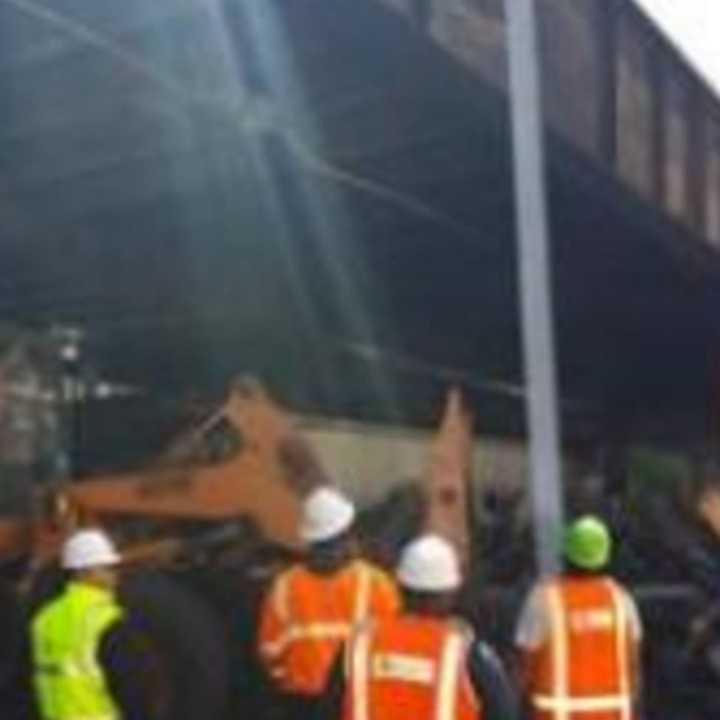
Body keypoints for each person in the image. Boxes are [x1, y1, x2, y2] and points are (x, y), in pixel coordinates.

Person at [323, 534, 518, 720]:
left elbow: (326, 711)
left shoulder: (360, 644)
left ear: (400, 588)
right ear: (449, 592)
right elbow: (505, 711)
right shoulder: (464, 651)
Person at [258, 487, 400, 706]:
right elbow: (394, 650)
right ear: (346, 536)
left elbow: (271, 654)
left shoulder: (285, 586)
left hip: (301, 703)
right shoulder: (375, 583)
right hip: (354, 700)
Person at [514, 515, 642, 720]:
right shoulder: (621, 600)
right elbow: (634, 670)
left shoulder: (543, 600)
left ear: (566, 556)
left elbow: (524, 669)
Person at [31, 528, 150, 720]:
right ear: (84, 571)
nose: (115, 574)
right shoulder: (106, 619)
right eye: (106, 568)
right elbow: (131, 686)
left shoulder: (45, 618)